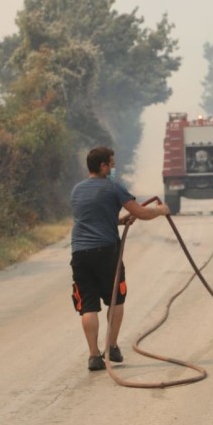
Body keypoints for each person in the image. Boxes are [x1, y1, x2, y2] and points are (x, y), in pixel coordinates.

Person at [70, 146, 171, 372]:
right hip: (106, 252)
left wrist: (119, 220)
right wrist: (161, 211)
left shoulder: (77, 190)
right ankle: (112, 346)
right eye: (111, 163)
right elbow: (143, 213)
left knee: (88, 306)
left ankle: (94, 356)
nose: (114, 167)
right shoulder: (113, 187)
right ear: (103, 165)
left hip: (80, 254)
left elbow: (90, 218)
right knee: (116, 299)